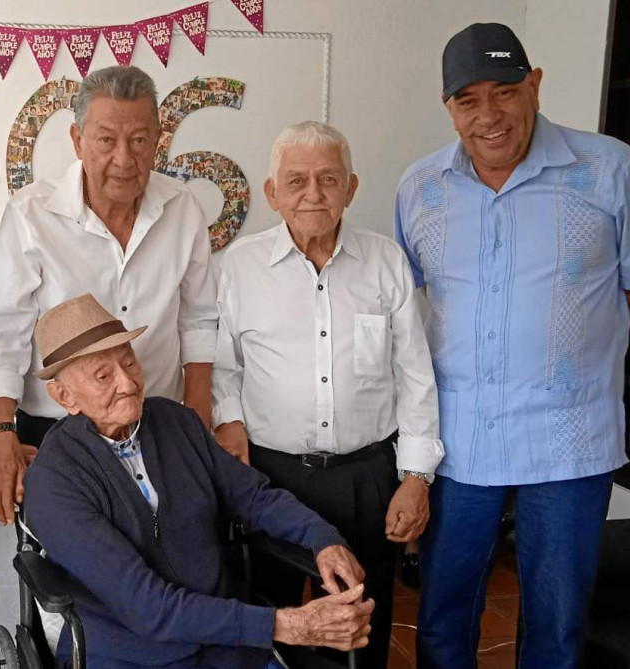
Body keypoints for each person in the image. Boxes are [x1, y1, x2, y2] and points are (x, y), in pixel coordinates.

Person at [394, 23, 630, 669]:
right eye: (468, 100)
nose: (489, 115)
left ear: (535, 85)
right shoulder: (419, 187)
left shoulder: (609, 169)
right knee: (442, 617)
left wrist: (572, 333)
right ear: (448, 108)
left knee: (557, 624)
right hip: (459, 439)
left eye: (505, 92)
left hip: (569, 438)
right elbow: (410, 297)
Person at [23, 294, 375, 669]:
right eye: (103, 376)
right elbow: (147, 608)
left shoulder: (176, 422)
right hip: (132, 655)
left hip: (228, 643)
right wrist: (284, 625)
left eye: (129, 363)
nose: (128, 383)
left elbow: (254, 497)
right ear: (64, 396)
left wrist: (322, 538)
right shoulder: (54, 480)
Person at [212, 121, 443, 669]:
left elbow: (415, 374)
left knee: (362, 622)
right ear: (272, 193)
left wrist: (416, 476)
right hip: (272, 479)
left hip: (365, 477)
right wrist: (229, 422)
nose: (313, 194)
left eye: (328, 179)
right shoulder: (240, 265)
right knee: (270, 619)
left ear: (351, 188)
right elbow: (223, 365)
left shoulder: (385, 261)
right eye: (296, 181)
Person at [0, 65, 218, 526]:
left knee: (169, 547)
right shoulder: (31, 215)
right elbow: (0, 333)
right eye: (106, 140)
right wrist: (0, 433)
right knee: (73, 560)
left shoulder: (183, 208)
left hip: (155, 425)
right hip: (57, 431)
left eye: (139, 140)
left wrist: (199, 417)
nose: (124, 158)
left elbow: (200, 319)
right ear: (77, 139)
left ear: (158, 139)